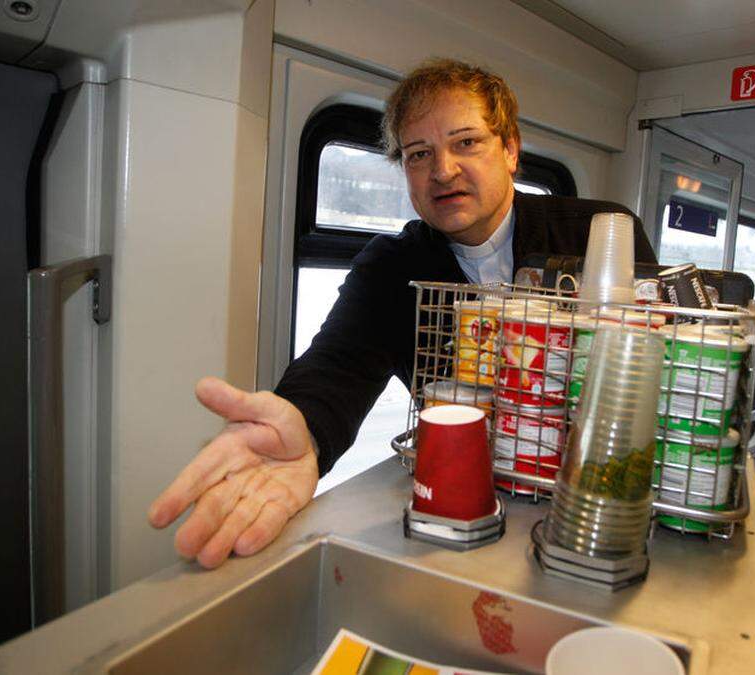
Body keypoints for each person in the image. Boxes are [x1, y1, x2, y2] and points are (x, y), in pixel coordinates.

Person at [147, 58, 657, 568]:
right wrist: (303, 427)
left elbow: (659, 373)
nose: (443, 169)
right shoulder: (392, 269)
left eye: (466, 142)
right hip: (457, 505)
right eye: (419, 154)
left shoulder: (599, 233)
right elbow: (337, 364)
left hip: (597, 499)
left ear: (510, 149)